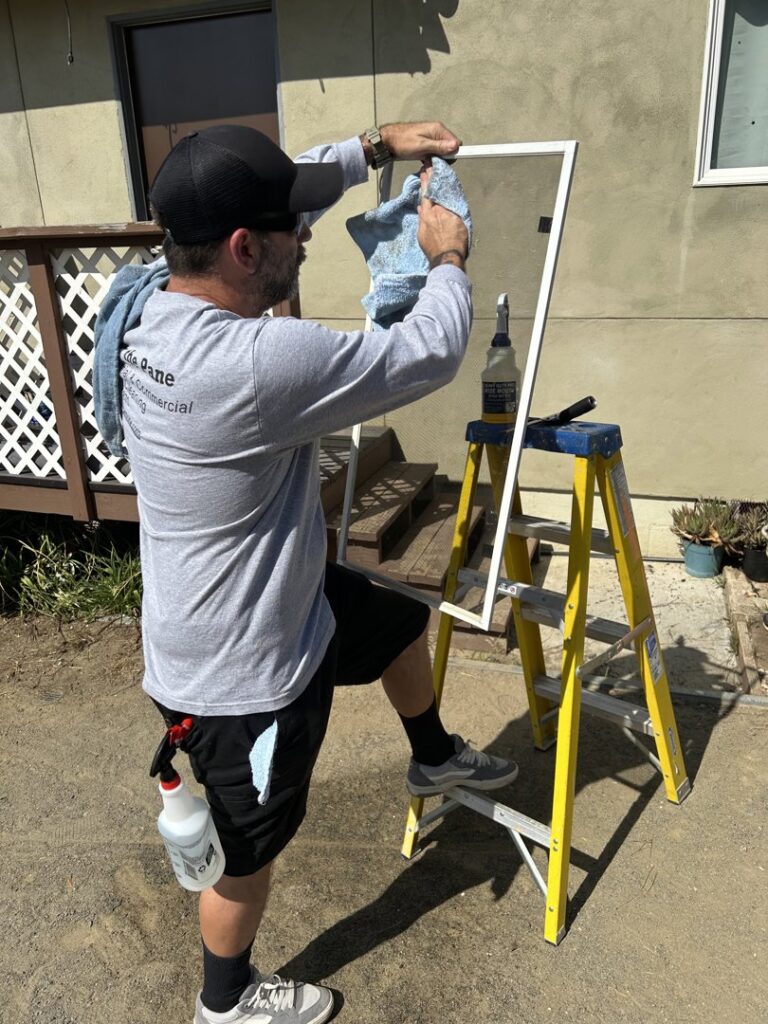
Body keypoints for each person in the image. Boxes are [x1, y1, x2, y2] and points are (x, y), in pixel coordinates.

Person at [111, 121, 519, 1024]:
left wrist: (375, 145)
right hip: (239, 675)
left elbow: (282, 188)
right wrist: (446, 258)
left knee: (396, 623)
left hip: (259, 595)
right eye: (290, 228)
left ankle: (433, 758)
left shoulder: (146, 305)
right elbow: (426, 353)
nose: (306, 235)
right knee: (245, 853)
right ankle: (225, 1001)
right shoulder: (257, 363)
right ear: (243, 247)